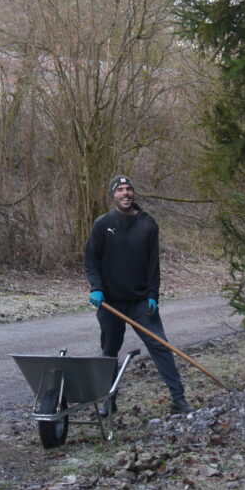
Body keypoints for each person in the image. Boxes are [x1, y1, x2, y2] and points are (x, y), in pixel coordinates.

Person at [84, 175, 194, 416]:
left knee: (160, 346)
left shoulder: (148, 224)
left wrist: (153, 295)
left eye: (128, 189)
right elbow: (91, 260)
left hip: (141, 302)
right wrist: (96, 287)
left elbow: (153, 265)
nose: (125, 193)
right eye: (120, 190)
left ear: (133, 193)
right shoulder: (103, 224)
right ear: (113, 195)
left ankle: (178, 398)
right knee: (109, 352)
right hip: (110, 302)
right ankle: (109, 401)